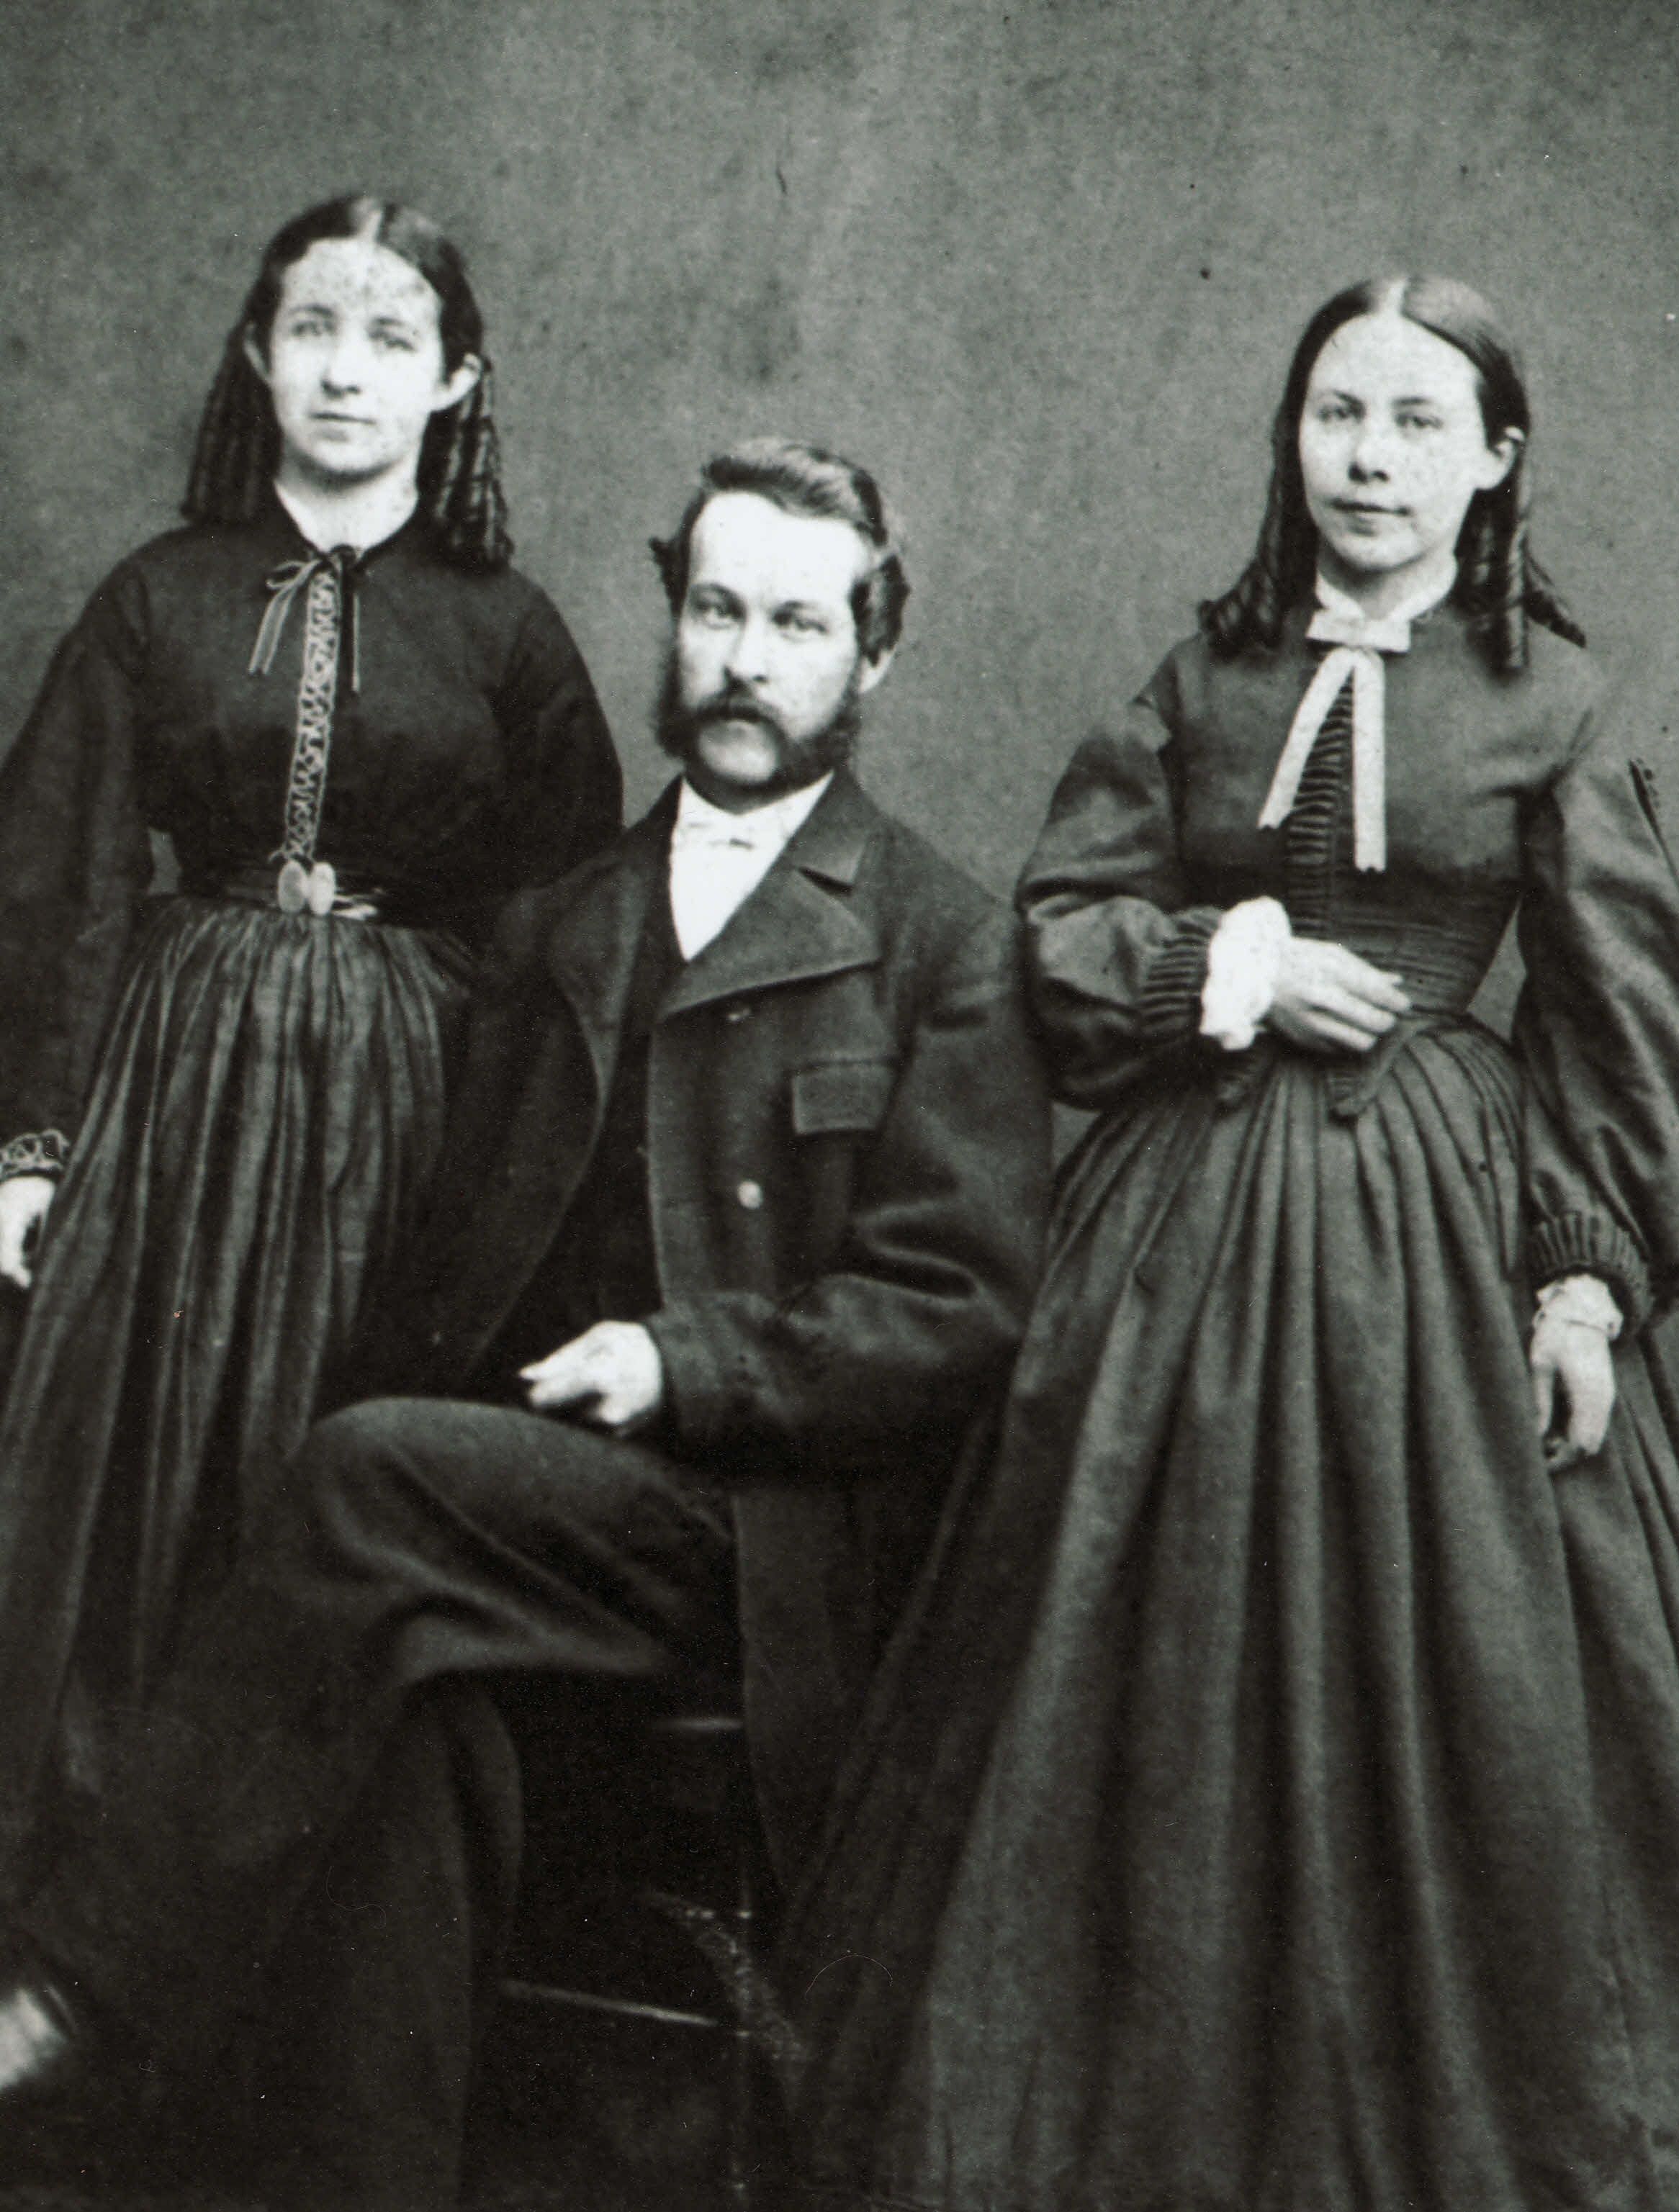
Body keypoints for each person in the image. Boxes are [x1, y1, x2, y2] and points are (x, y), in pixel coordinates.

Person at [0, 438, 1053, 2208]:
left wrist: (684, 1361)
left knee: (367, 1478)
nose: (743, 659)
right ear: (671, 618)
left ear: (875, 653)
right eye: (714, 608)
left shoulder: (940, 943)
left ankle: (70, 1990)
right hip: (520, 1529)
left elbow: (958, 1312)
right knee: (413, 1723)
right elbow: (441, 1275)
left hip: (759, 1549)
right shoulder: (557, 918)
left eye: (797, 624)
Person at [779, 279, 1679, 2211]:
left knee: (1489, 1683)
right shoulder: (1201, 684)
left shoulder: (1549, 700)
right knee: (1120, 1644)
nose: (1367, 458)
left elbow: (1617, 1021)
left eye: (1416, 422)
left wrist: (1578, 1277)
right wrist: (1227, 964)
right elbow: (1054, 932)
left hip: (1437, 1243)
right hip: (1178, 1229)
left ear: (1493, 457)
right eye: (1333, 414)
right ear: (1290, 437)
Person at [0, 194, 619, 1892]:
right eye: (315, 331)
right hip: (171, 1083)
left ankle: (271, 1921)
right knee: (116, 1485)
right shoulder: (159, 596)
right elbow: (57, 874)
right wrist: (31, 1144)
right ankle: (75, 1924)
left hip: (397, 1108)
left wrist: (493, 1165)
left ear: (455, 379)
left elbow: (561, 923)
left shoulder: (507, 631)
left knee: (328, 1464)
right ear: (258, 355)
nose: (348, 372)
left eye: (391, 338)